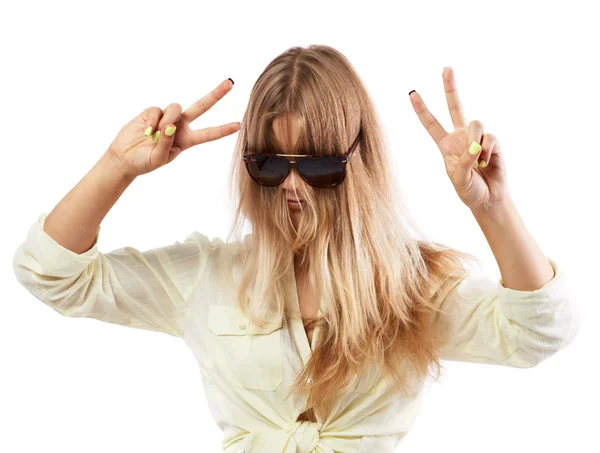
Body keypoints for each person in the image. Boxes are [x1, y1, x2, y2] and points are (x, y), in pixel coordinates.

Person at [12, 45, 579, 453]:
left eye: (319, 164)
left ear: (359, 161)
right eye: (268, 164)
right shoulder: (208, 274)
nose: (292, 185)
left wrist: (490, 205)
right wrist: (117, 168)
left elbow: (540, 332)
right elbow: (51, 274)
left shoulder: (412, 285)